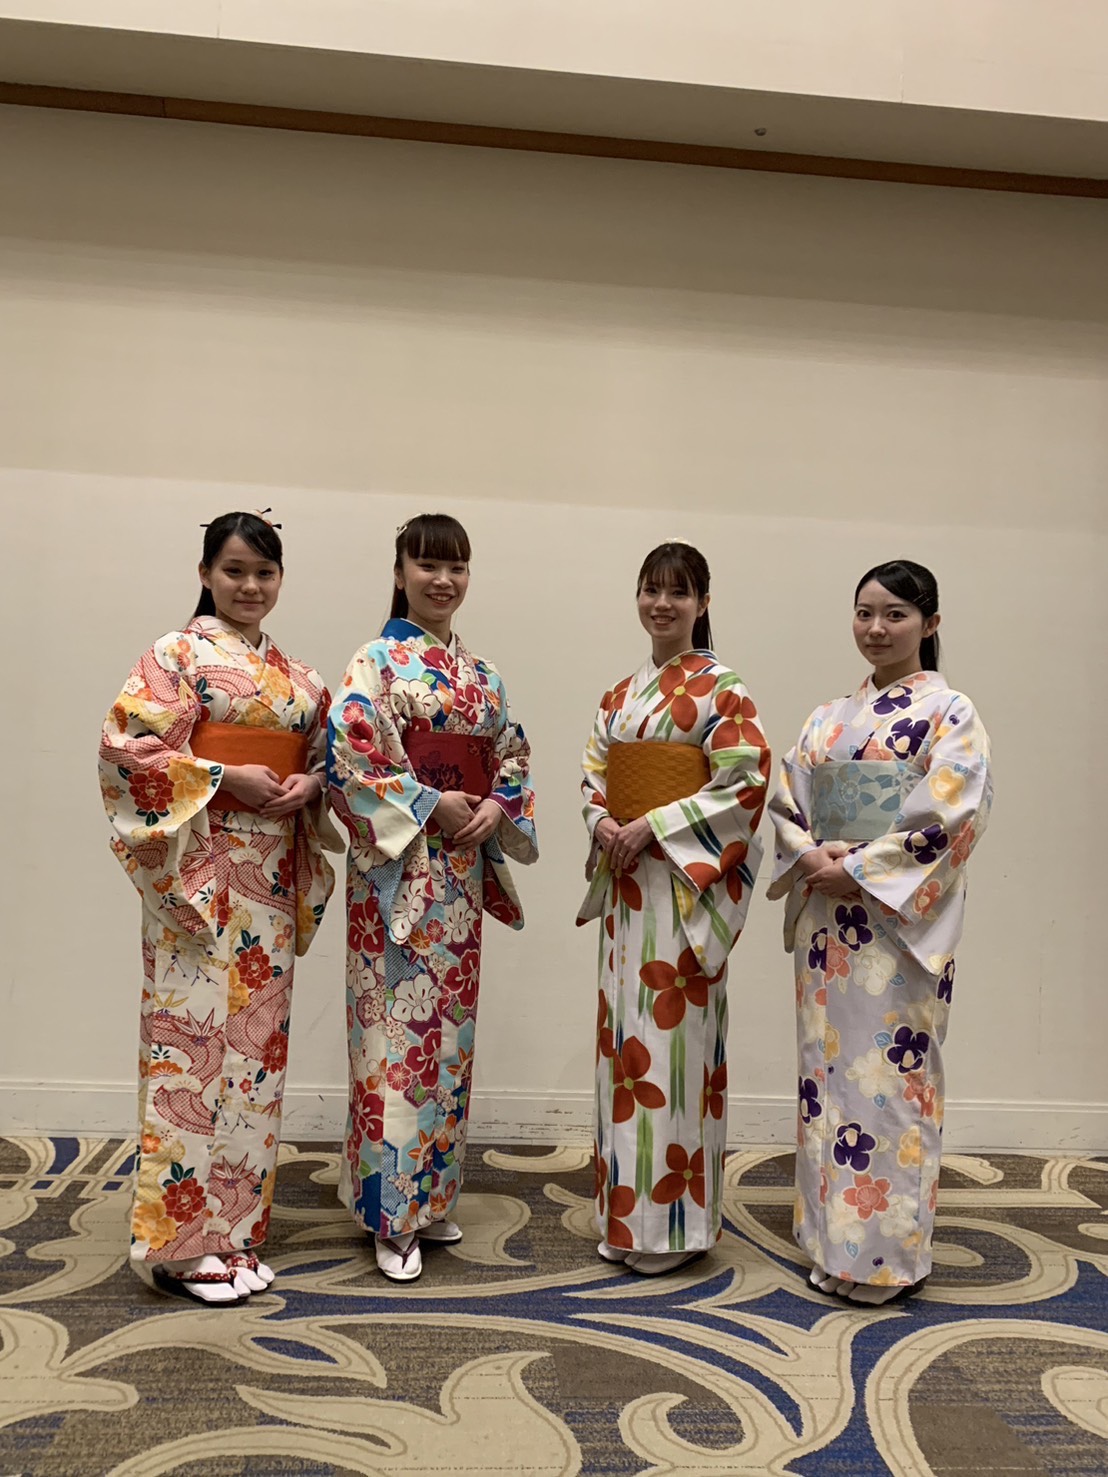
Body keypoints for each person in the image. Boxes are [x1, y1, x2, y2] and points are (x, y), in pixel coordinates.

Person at [99, 511, 340, 1305]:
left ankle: (233, 1232)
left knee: (254, 1053)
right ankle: (177, 1246)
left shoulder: (301, 679)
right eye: (234, 570)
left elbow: (325, 761)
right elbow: (129, 752)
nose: (250, 586)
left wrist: (311, 784)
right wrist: (224, 776)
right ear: (205, 573)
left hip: (269, 871)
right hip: (197, 875)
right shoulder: (174, 656)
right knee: (190, 1047)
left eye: (264, 573)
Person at [768, 559, 992, 1305]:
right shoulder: (827, 717)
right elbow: (788, 801)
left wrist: (859, 866)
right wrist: (810, 855)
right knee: (826, 1081)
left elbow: (952, 816)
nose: (876, 627)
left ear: (930, 623)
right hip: (829, 925)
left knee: (891, 1084)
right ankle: (830, 1242)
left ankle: (886, 1258)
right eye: (865, 612)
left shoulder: (951, 713)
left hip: (895, 929)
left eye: (895, 614)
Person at [328, 513, 537, 1282]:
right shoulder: (375, 661)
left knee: (449, 1040)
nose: (442, 580)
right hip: (399, 878)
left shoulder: (484, 676)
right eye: (427, 564)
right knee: (393, 1041)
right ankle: (390, 1212)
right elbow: (348, 757)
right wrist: (426, 802)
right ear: (400, 572)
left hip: (459, 877)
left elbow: (511, 757)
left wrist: (496, 806)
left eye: (456, 567)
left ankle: (431, 1193)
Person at [579, 541, 770, 1275]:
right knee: (625, 1053)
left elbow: (744, 782)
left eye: (678, 592)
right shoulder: (618, 696)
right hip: (627, 888)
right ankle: (625, 1215)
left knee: (673, 1051)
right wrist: (602, 821)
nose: (662, 604)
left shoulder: (724, 690)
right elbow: (594, 773)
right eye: (651, 590)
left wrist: (654, 825)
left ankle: (674, 1227)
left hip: (683, 892)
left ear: (703, 603)